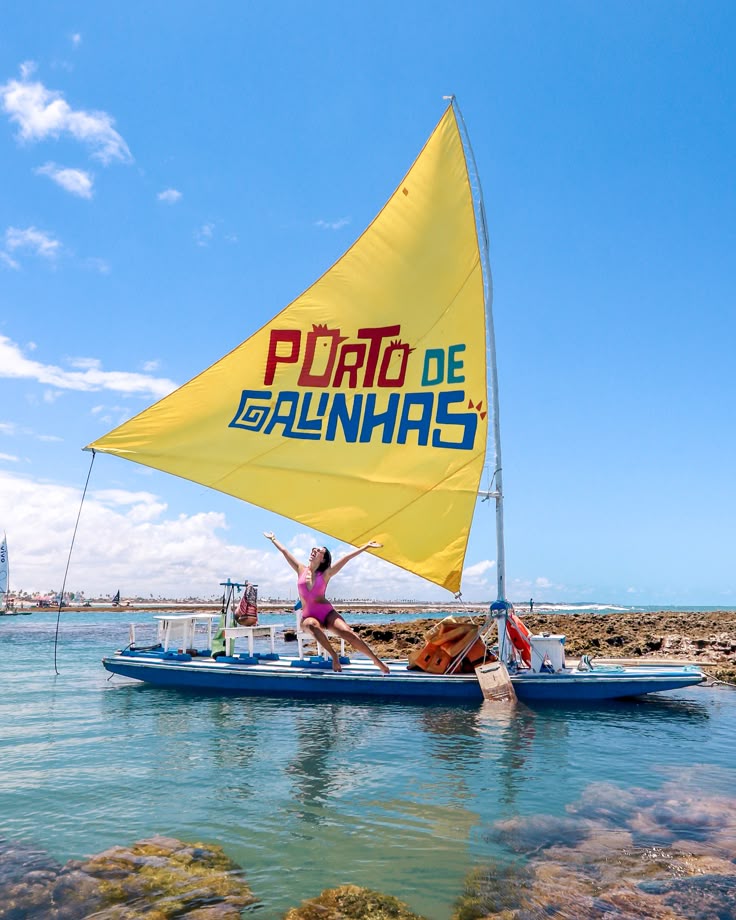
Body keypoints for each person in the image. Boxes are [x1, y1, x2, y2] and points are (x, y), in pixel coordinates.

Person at [264, 531, 390, 674]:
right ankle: (334, 656)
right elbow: (285, 551)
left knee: (348, 633)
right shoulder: (300, 569)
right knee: (311, 625)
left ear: (323, 559)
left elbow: (346, 558)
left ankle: (376, 660)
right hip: (309, 616)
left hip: (327, 613)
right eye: (314, 549)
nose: (314, 551)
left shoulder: (326, 574)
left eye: (319, 551)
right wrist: (273, 539)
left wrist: (366, 546)